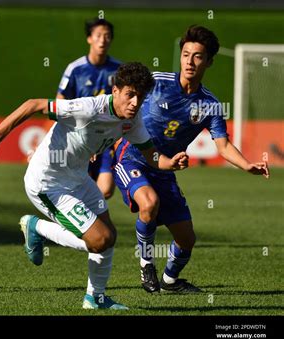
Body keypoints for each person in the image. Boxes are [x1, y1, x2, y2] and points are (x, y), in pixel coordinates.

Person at [0, 62, 189, 309]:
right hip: (48, 183)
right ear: (115, 90)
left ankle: (95, 298)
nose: (135, 103)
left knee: (109, 236)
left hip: (78, 178)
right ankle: (36, 227)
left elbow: (152, 156)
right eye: (130, 94)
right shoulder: (87, 108)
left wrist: (171, 163)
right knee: (100, 239)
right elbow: (33, 104)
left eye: (140, 96)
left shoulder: (132, 120)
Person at [112, 25, 270, 294]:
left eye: (197, 56)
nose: (189, 61)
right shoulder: (156, 81)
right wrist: (98, 133)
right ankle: (146, 264)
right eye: (186, 54)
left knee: (187, 240)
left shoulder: (209, 104)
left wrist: (247, 165)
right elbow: (118, 95)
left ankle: (171, 282)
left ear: (208, 61)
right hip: (133, 158)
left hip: (165, 169)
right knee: (148, 203)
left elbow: (223, 145)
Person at [56, 17, 122, 200]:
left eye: (107, 36)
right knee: (77, 188)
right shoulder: (75, 69)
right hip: (80, 138)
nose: (103, 40)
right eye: (98, 35)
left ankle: (88, 221)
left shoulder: (119, 70)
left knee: (106, 190)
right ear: (89, 38)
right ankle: (83, 224)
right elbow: (59, 103)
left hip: (107, 139)